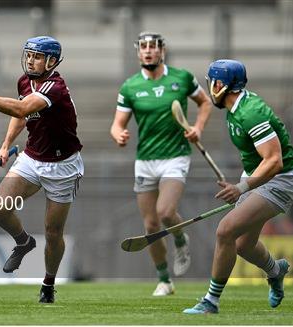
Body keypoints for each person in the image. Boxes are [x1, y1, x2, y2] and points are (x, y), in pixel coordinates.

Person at [0, 36, 83, 304]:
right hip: (31, 158)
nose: (30, 60)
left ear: (51, 61)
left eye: (37, 56)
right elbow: (21, 116)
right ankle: (24, 241)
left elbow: (22, 107)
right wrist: (5, 145)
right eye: (28, 55)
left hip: (63, 166)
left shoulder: (55, 88)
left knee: (52, 232)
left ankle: (48, 283)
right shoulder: (24, 81)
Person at [183, 59, 293, 314]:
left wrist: (243, 186)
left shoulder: (250, 112)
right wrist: (243, 183)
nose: (209, 87)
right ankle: (275, 270)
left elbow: (275, 160)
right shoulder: (234, 108)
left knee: (225, 231)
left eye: (211, 83)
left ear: (221, 85)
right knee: (243, 245)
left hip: (280, 181)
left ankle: (211, 301)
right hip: (261, 176)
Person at [110, 31, 213, 296]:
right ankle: (165, 280)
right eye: (143, 47)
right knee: (151, 226)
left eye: (153, 47)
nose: (148, 51)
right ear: (138, 52)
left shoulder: (182, 78)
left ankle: (180, 238)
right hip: (145, 160)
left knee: (166, 212)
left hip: (175, 156)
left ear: (162, 51)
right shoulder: (130, 86)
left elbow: (204, 103)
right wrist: (118, 134)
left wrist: (198, 128)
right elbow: (117, 123)